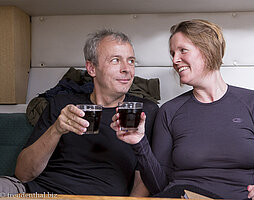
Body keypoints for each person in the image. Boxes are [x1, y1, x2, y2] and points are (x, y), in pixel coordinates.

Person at [111, 19, 254, 200]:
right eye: (172, 53)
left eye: (183, 50)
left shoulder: (253, 102)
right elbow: (159, 186)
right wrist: (138, 143)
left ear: (207, 49)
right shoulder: (169, 111)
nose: (175, 60)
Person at [0, 29, 158, 197]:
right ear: (91, 68)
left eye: (131, 61)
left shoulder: (144, 111)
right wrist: (56, 129)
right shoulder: (61, 104)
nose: (127, 69)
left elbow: (144, 180)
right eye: (115, 60)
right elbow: (24, 174)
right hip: (38, 193)